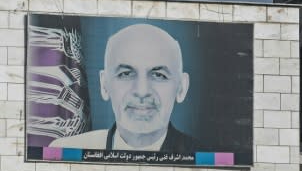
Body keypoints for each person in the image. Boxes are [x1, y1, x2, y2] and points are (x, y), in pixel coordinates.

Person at [50, 23, 199, 152]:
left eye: (158, 75)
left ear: (181, 87)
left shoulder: (208, 156)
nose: (142, 91)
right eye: (126, 74)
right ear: (104, 85)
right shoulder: (65, 151)